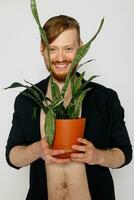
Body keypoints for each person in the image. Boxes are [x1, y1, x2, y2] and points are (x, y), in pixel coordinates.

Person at [6, 15, 132, 200]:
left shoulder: (105, 98)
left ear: (80, 48)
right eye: (53, 49)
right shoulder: (28, 99)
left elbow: (124, 154)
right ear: (42, 49)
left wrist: (97, 156)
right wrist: (36, 150)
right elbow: (12, 156)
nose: (60, 58)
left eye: (68, 49)